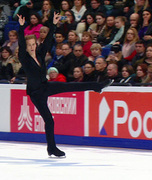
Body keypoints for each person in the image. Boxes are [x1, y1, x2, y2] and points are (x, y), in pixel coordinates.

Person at [17, 13, 112, 157]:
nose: (31, 47)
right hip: (36, 93)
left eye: (33, 44)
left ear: (36, 44)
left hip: (46, 86)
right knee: (49, 120)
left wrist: (54, 25)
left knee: (70, 86)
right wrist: (22, 27)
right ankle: (52, 148)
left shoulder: (40, 54)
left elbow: (48, 41)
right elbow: (21, 42)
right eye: (29, 45)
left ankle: (97, 86)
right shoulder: (24, 58)